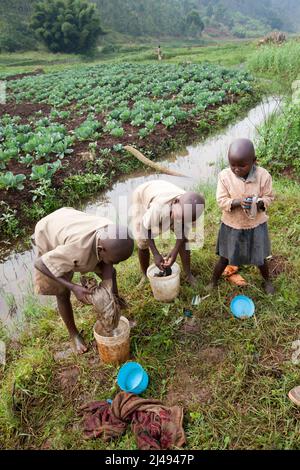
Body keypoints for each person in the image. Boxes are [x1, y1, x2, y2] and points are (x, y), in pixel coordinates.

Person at [33, 207, 134, 354]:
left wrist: (108, 288)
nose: (115, 263)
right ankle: (73, 335)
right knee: (62, 292)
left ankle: (117, 316)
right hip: (49, 231)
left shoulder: (110, 232)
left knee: (111, 273)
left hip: (69, 219)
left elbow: (109, 269)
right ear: (101, 249)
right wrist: (73, 287)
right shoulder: (76, 249)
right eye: (114, 260)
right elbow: (40, 264)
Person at [210, 138, 275, 294]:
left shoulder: (263, 176)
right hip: (232, 225)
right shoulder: (224, 176)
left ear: (254, 161)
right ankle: (213, 281)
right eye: (233, 165)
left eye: (242, 165)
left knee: (260, 257)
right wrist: (238, 202)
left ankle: (267, 281)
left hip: (256, 225)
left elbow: (269, 197)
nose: (237, 169)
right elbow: (221, 200)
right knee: (225, 256)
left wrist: (259, 203)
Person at [131, 180, 205, 287]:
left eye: (185, 220)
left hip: (166, 196)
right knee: (142, 242)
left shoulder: (189, 210)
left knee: (184, 241)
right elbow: (145, 228)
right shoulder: (158, 208)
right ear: (175, 202)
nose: (180, 221)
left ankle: (188, 274)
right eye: (179, 217)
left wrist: (175, 251)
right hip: (142, 196)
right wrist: (155, 253)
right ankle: (144, 275)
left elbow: (183, 234)